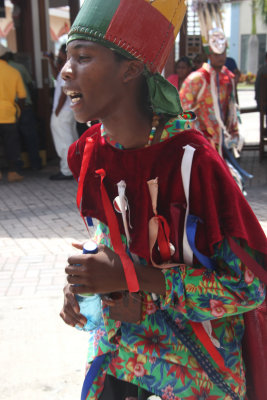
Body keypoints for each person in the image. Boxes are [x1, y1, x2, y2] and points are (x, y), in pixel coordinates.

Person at [59, 2, 267, 400]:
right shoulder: (90, 152)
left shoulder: (193, 163)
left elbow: (250, 287)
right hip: (121, 346)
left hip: (196, 362)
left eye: (83, 57)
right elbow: (112, 245)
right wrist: (86, 282)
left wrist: (130, 278)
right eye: (66, 58)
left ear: (131, 69)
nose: (66, 71)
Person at [180, 28, 249, 191]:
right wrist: (191, 138)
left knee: (228, 184)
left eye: (223, 53)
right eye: (217, 54)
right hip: (200, 142)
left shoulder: (228, 78)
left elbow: (231, 108)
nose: (221, 57)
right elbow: (182, 112)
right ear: (209, 55)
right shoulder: (196, 79)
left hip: (222, 141)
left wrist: (234, 131)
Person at [6, 51, 42, 170]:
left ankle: (16, 168)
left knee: (11, 140)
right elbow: (30, 84)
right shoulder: (19, 68)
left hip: (9, 109)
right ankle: (35, 164)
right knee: (31, 137)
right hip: (24, 106)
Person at [48, 44, 78, 180]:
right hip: (70, 109)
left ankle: (67, 170)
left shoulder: (67, 68)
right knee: (71, 138)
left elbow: (62, 92)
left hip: (63, 110)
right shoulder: (72, 67)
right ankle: (74, 168)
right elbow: (57, 77)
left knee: (64, 141)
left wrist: (57, 112)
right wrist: (51, 61)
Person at [0, 43, 26, 182]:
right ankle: (13, 172)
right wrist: (18, 111)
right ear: (6, 56)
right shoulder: (14, 72)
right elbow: (22, 97)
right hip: (9, 116)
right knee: (11, 145)